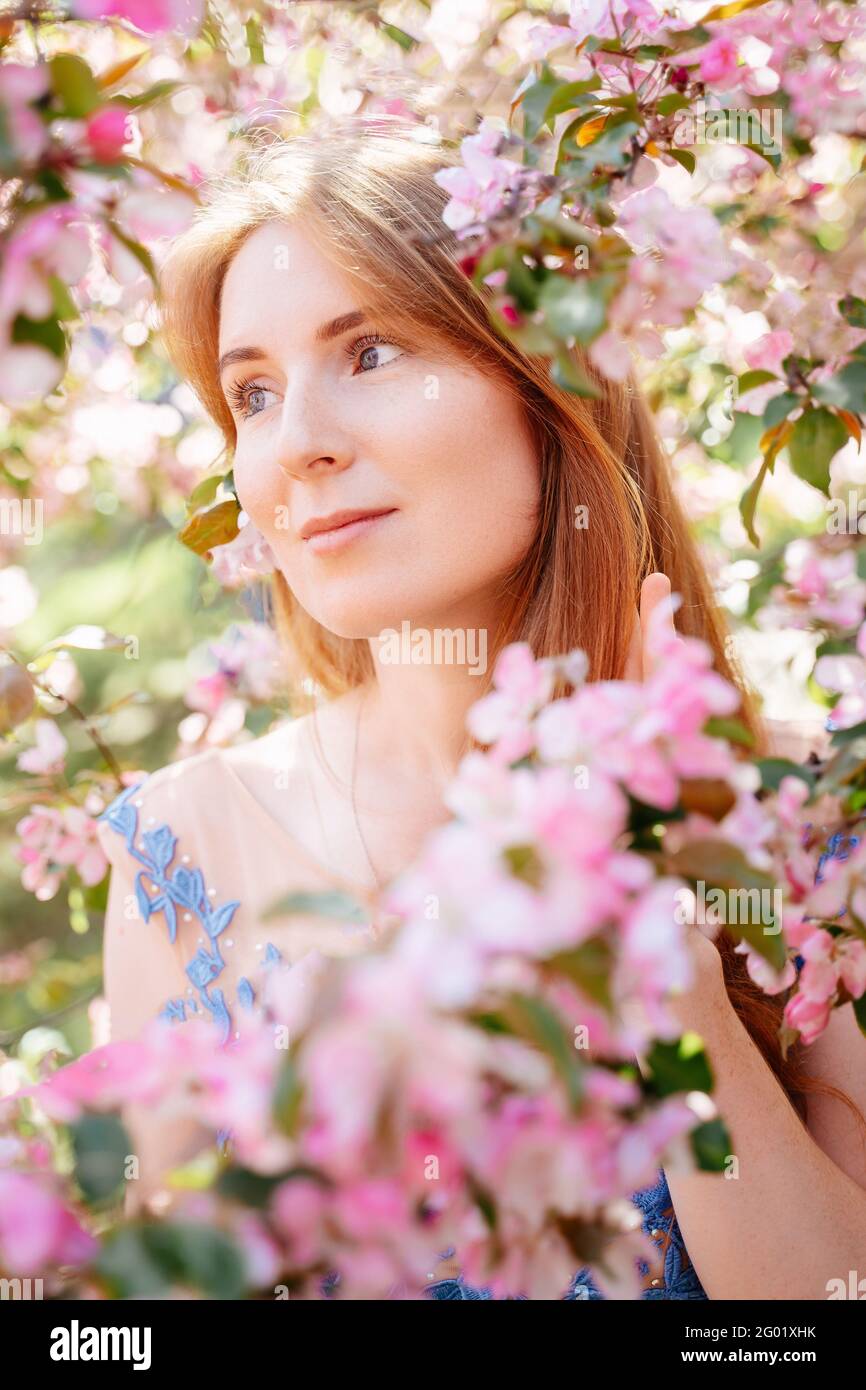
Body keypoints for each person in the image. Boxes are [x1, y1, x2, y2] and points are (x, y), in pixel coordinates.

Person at [96, 128, 866, 1298]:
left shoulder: (803, 820)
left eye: (369, 352)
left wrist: (681, 1005)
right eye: (252, 391)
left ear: (544, 386)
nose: (295, 444)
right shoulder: (182, 848)